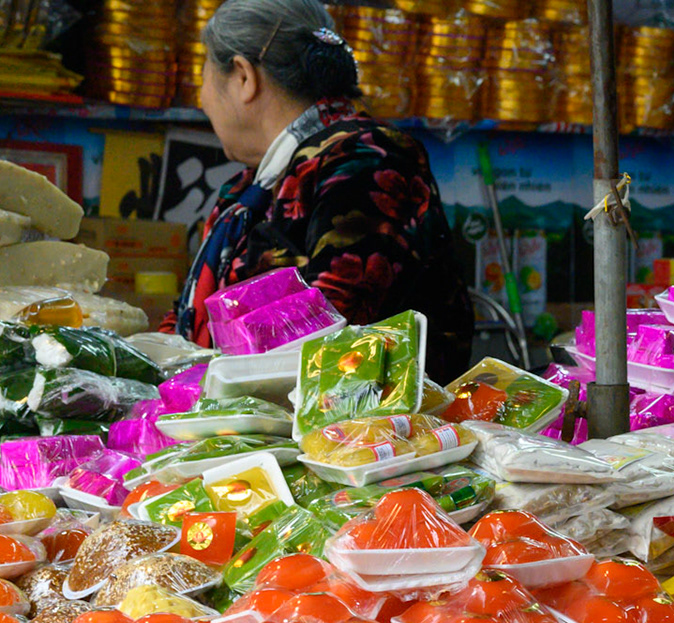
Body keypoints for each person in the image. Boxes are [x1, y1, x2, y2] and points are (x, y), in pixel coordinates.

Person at [170, 0, 474, 380]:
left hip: (359, 433)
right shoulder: (251, 189)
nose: (203, 100)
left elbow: (334, 330)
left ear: (244, 77)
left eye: (203, 78)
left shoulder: (367, 160)